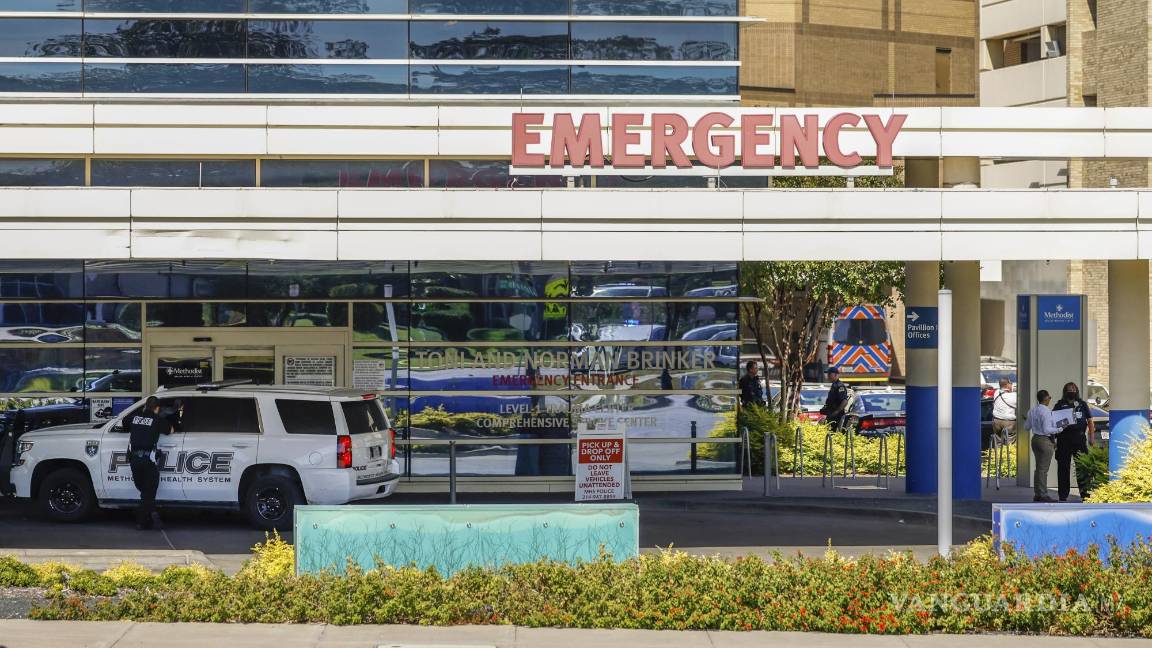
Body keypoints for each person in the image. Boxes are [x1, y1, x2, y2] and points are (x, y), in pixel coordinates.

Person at [127, 396, 172, 530]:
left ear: (145, 406)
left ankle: (148, 517)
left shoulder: (134, 417)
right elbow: (170, 431)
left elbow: (123, 422)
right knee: (149, 491)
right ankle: (145, 519)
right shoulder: (158, 420)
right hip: (147, 461)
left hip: (134, 460)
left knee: (144, 491)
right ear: (157, 408)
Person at [1053, 381, 1095, 502]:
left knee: (1082, 466)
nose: (1071, 391)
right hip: (1063, 439)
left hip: (1079, 438)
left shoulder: (1082, 404)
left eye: (1073, 389)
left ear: (1076, 390)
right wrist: (1056, 437)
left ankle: (1085, 494)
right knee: (1063, 467)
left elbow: (1090, 421)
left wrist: (1091, 437)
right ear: (1065, 391)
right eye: (1069, 389)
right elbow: (1054, 421)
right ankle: (1063, 495)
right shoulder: (1060, 404)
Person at [1024, 389, 1063, 502]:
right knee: (1043, 469)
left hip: (1035, 439)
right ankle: (1042, 494)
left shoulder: (1032, 410)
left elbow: (1026, 427)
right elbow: (1047, 429)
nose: (1050, 399)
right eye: (1049, 397)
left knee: (1039, 468)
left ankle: (1038, 493)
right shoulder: (1046, 411)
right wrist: (1059, 429)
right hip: (1045, 440)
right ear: (1046, 398)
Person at [991, 378, 1017, 442]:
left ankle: (999, 450)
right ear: (1007, 385)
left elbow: (1006, 389)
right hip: (1008, 422)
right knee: (1010, 442)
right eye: (1011, 384)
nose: (1012, 385)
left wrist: (1012, 388)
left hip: (996, 421)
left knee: (998, 442)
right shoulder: (1013, 396)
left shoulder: (996, 392)